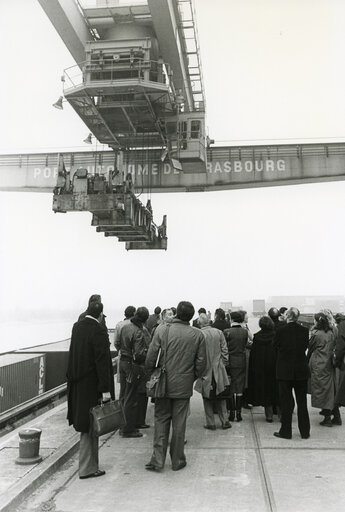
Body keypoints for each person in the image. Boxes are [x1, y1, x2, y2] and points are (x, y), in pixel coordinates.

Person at [145, 301, 206, 471]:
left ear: (177, 313)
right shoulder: (197, 335)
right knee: (179, 424)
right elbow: (201, 363)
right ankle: (178, 460)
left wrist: (151, 373)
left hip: (163, 383)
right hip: (183, 385)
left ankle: (157, 460)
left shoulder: (162, 330)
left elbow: (151, 356)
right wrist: (191, 377)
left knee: (161, 420)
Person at [67, 302, 114, 479]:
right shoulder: (99, 331)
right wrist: (106, 390)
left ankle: (90, 465)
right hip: (91, 385)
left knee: (85, 423)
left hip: (76, 384)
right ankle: (87, 468)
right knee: (90, 426)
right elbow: (102, 363)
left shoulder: (76, 327)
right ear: (101, 315)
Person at [273, 307, 310, 439]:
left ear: (287, 316)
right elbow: (305, 347)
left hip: (284, 370)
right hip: (301, 370)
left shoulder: (280, 331)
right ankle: (305, 431)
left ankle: (286, 431)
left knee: (286, 403)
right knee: (302, 402)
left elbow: (275, 347)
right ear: (298, 317)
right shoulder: (305, 331)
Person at [194, 313, 231, 430]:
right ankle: (225, 420)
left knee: (207, 396)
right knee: (221, 395)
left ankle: (210, 422)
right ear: (209, 321)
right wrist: (223, 364)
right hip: (218, 367)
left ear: (199, 323)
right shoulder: (218, 332)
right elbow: (225, 350)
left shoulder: (198, 334)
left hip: (205, 369)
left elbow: (196, 354)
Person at [119, 307, 150, 437]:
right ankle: (128, 429)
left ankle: (123, 425)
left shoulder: (125, 327)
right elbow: (138, 353)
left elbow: (118, 343)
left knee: (125, 395)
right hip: (133, 365)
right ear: (145, 319)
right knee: (131, 397)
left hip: (123, 362)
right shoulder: (139, 331)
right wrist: (147, 353)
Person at [307, 312, 336, 427]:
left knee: (321, 390)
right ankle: (333, 413)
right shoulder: (331, 333)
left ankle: (327, 417)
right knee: (329, 389)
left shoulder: (317, 334)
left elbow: (310, 348)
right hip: (328, 364)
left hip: (318, 364)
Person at [247, 316, 279, 422]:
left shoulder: (257, 337)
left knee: (266, 391)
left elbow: (254, 355)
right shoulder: (276, 335)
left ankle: (269, 415)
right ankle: (281, 414)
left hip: (262, 368)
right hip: (275, 366)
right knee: (277, 390)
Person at [224, 311, 250, 422]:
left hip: (230, 361)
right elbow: (246, 344)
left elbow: (224, 347)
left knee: (230, 385)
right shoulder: (244, 332)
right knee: (239, 386)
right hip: (241, 361)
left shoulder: (226, 332)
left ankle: (231, 413)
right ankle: (239, 414)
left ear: (231, 320)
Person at [114, 306, 136, 400]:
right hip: (131, 358)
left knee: (123, 387)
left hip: (121, 356)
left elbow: (116, 342)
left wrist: (120, 350)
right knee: (130, 386)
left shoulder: (119, 325)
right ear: (134, 313)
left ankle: (122, 407)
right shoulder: (134, 325)